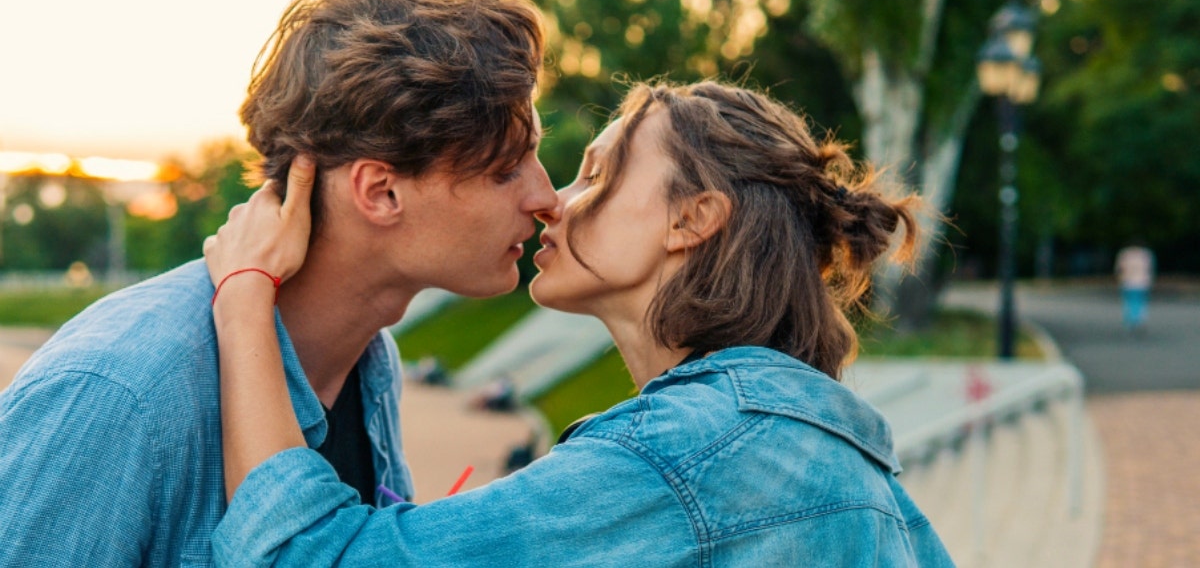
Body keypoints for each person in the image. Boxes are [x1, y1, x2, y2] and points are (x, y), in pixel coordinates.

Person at [205, 81, 954, 566]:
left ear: (692, 219)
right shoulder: (860, 478)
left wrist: (244, 296)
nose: (554, 201)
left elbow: (297, 557)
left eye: (596, 172)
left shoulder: (685, 455)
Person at [0, 0, 551, 566]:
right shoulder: (121, 393)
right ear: (382, 192)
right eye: (506, 171)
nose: (547, 197)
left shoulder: (372, 362)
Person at [1115, 240, 1155, 333]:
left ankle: (1131, 320)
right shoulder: (1146, 254)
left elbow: (1119, 268)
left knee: (1129, 302)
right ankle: (1139, 320)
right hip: (1142, 282)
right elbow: (1149, 269)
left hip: (1128, 281)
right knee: (1140, 302)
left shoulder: (1125, 254)